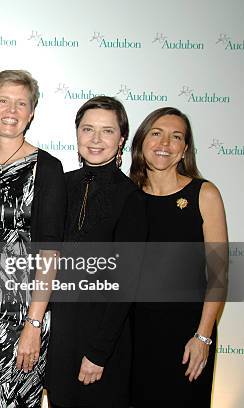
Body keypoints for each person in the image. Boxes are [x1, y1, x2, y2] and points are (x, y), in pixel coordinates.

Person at [0, 70, 66, 407]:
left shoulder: (47, 168)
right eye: (4, 101)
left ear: (32, 112)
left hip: (20, 313)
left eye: (21, 103)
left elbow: (50, 253)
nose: (11, 110)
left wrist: (34, 323)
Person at [46, 96, 147, 407]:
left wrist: (99, 352)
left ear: (122, 139)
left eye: (107, 131)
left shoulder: (130, 197)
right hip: (59, 337)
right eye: (88, 129)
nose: (95, 139)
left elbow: (126, 285)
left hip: (102, 343)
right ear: (77, 133)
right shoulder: (59, 185)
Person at [129, 107, 227, 407]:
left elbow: (219, 276)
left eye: (176, 137)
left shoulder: (204, 194)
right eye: (156, 133)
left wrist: (203, 337)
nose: (165, 144)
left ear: (185, 149)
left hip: (188, 335)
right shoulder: (127, 195)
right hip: (133, 336)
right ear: (142, 141)